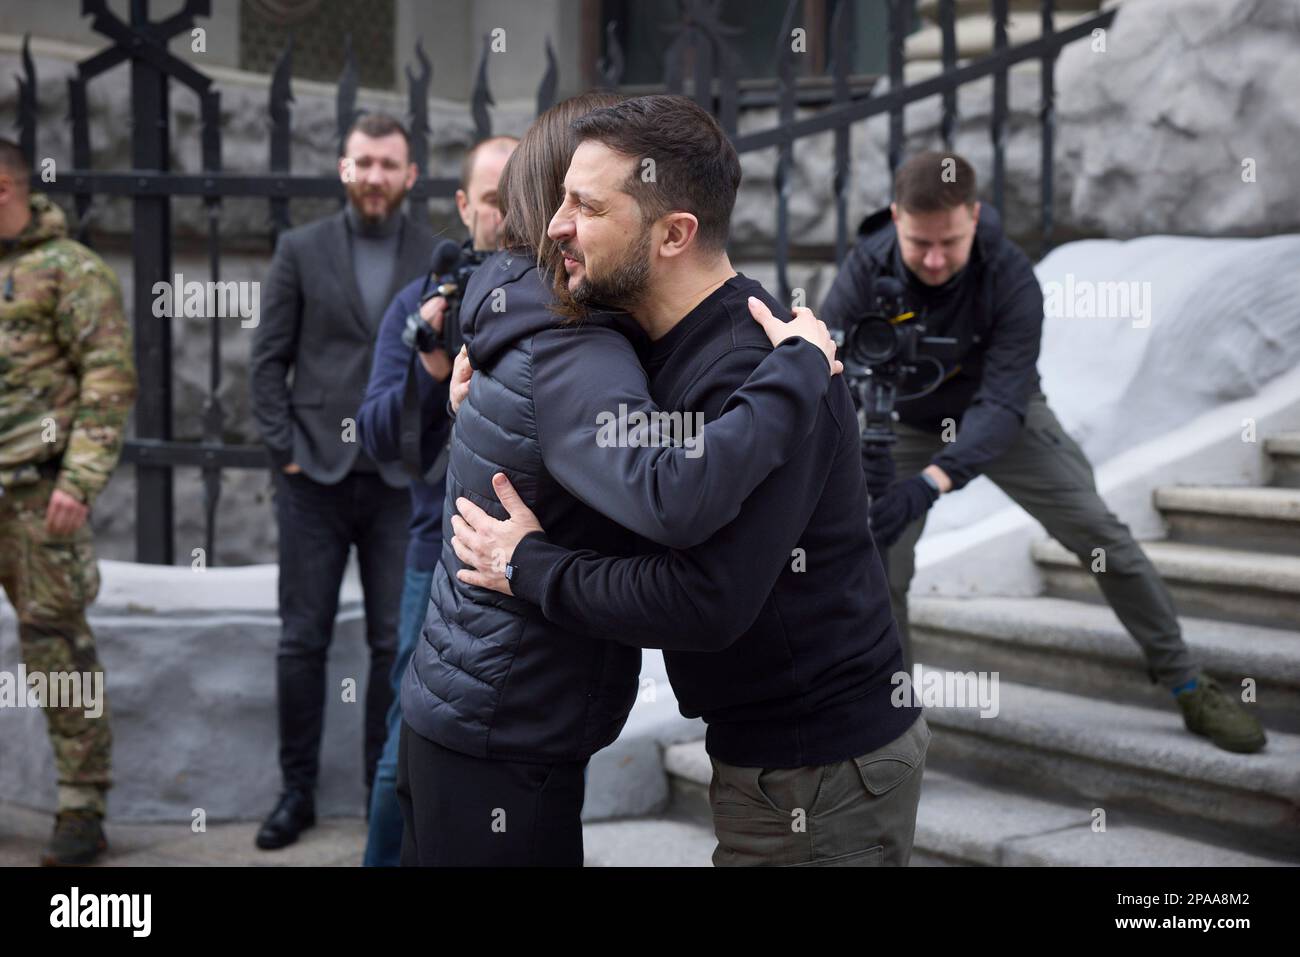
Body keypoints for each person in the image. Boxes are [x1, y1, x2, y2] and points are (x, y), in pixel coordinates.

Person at [451, 94, 929, 868]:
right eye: (562, 197)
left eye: (585, 205)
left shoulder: (753, 366)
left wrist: (528, 566)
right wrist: (481, 363)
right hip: (769, 757)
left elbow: (706, 603)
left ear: (674, 233)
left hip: (821, 770)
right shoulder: (657, 336)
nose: (554, 226)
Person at [819, 150, 1265, 754]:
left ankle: (1186, 679)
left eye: (948, 242)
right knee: (881, 560)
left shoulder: (1009, 275)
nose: (932, 260)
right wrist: (860, 452)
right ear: (895, 217)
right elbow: (823, 361)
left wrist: (929, 484)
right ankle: (890, 716)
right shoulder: (865, 268)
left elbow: (1002, 406)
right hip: (905, 418)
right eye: (918, 242)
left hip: (1007, 416)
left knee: (1101, 534)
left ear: (974, 216)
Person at [249, 113, 436, 850]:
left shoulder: (432, 254)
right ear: (343, 168)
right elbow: (267, 361)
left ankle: (378, 792)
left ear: (411, 175)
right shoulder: (300, 248)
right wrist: (286, 453)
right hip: (314, 479)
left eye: (390, 164)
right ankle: (295, 791)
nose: (376, 176)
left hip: (397, 480)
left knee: (394, 641)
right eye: (364, 162)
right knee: (302, 639)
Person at [355, 133, 518, 867]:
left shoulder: (562, 292)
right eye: (492, 201)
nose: (508, 217)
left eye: (521, 200)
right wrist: (430, 364)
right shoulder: (424, 300)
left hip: (535, 557)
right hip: (440, 552)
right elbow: (384, 438)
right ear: (462, 206)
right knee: (406, 746)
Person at [0, 137, 136, 865]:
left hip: (36, 496)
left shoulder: (71, 272)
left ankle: (83, 807)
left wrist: (77, 483)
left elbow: (108, 382)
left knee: (59, 653)